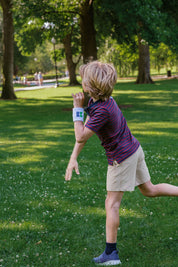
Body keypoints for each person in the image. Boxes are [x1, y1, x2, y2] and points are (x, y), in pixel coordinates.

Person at [65, 61, 178, 266]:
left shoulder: (101, 110)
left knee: (111, 203)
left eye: (84, 80)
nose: (82, 82)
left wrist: (76, 109)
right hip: (134, 149)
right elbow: (84, 135)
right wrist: (73, 158)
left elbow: (81, 135)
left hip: (122, 158)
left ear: (91, 86)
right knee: (149, 190)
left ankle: (111, 253)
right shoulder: (101, 101)